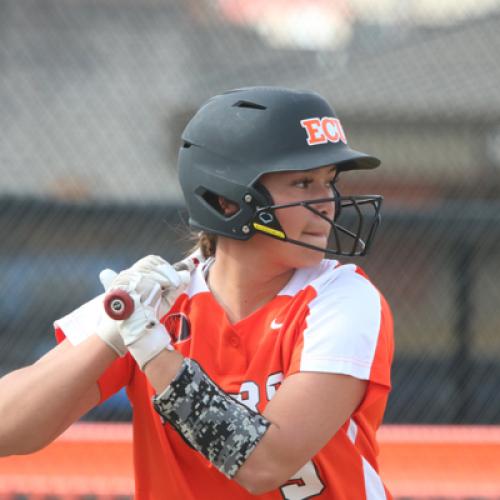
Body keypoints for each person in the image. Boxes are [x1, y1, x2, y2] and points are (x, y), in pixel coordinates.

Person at [0, 86, 394, 499]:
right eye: (302, 182)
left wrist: (152, 351)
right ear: (227, 201)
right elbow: (9, 428)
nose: (328, 201)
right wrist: (113, 333)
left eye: (329, 181)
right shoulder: (158, 301)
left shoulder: (343, 297)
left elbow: (265, 463)